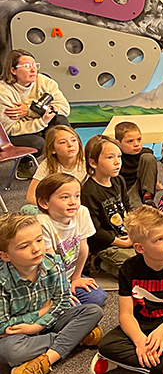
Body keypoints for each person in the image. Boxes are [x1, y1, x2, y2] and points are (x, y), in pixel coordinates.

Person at [90, 206, 163, 374]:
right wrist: (139, 341)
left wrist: (162, 331)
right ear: (140, 248)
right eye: (159, 239)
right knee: (106, 345)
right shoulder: (128, 268)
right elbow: (126, 315)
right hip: (140, 323)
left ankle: (119, 363)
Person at [0, 212, 103, 374]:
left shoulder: (53, 263)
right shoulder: (2, 282)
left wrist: (36, 326)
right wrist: (39, 314)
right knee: (10, 352)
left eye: (39, 240)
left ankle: (45, 359)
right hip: (20, 333)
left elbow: (62, 302)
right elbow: (2, 326)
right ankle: (76, 337)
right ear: (6, 255)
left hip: (47, 321)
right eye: (25, 246)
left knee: (93, 311)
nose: (36, 249)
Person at [36, 174, 107, 306]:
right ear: (44, 203)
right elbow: (50, 265)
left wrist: (77, 277)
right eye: (65, 197)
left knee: (99, 297)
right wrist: (61, 291)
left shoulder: (81, 212)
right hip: (47, 282)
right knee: (74, 307)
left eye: (77, 196)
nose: (73, 202)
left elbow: (83, 248)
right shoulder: (42, 223)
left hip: (68, 275)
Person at [0, 49, 71, 179]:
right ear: (13, 70)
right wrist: (41, 121)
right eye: (27, 66)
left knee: (60, 121)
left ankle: (67, 161)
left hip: (38, 122)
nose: (33, 70)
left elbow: (64, 108)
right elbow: (9, 129)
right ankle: (24, 163)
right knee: (39, 143)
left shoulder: (44, 82)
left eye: (35, 65)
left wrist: (29, 110)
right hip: (18, 133)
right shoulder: (3, 92)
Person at [82, 135, 135, 278]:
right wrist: (118, 242)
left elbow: (127, 207)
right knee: (135, 269)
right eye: (110, 158)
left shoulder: (119, 180)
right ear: (93, 163)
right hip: (105, 244)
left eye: (119, 156)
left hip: (124, 234)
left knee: (156, 256)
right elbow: (93, 229)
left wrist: (133, 231)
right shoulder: (88, 191)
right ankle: (99, 262)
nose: (117, 162)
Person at [24, 125, 86, 210]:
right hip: (59, 204)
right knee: (28, 209)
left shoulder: (87, 162)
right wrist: (55, 209)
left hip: (82, 203)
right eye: (63, 142)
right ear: (53, 149)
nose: (70, 144)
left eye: (74, 140)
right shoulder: (47, 165)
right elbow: (31, 197)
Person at [114, 121, 158, 208]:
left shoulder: (146, 152)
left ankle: (148, 197)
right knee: (137, 211)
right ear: (118, 143)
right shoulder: (116, 156)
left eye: (139, 139)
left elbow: (150, 172)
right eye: (130, 141)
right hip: (126, 188)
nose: (136, 144)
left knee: (148, 158)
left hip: (141, 184)